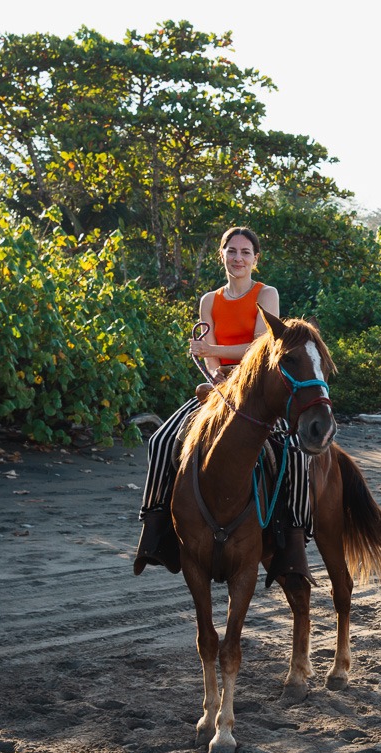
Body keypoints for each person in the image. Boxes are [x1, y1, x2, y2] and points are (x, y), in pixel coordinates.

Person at [132, 226, 313, 584]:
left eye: (246, 252)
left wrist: (212, 353)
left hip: (258, 390)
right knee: (162, 440)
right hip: (218, 388)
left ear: (255, 260)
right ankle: (155, 527)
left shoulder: (267, 295)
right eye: (232, 251)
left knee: (295, 453)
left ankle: (292, 540)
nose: (238, 258)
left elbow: (261, 347)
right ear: (222, 255)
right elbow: (207, 352)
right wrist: (215, 373)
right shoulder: (209, 300)